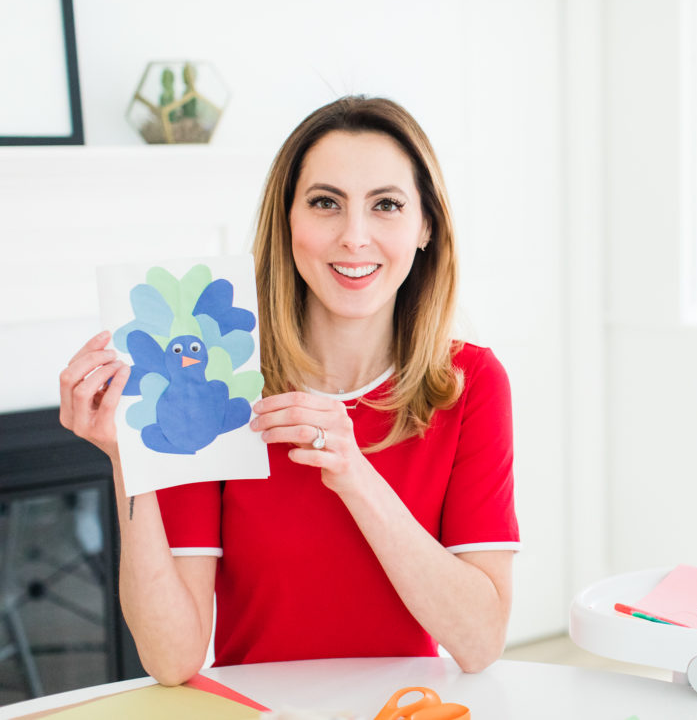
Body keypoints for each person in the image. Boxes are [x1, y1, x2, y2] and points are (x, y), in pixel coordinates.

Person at [59, 96, 520, 684]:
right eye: (326, 203)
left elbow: (480, 642)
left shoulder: (470, 384)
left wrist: (354, 473)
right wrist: (131, 458)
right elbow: (171, 660)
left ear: (425, 225)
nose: (355, 237)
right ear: (288, 221)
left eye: (387, 205)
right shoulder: (220, 388)